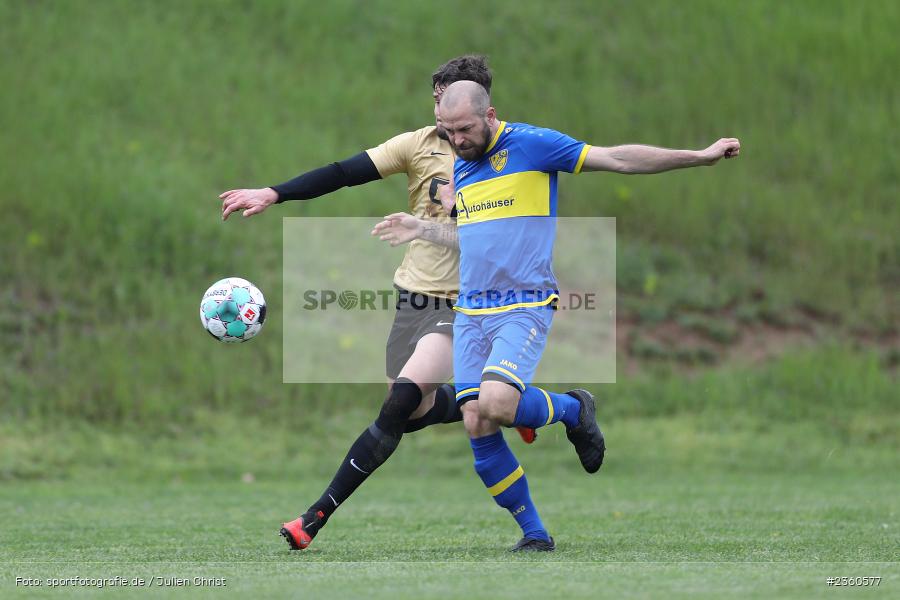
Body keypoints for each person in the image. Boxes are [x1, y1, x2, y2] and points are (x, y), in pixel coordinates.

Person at [218, 56, 534, 552]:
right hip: (413, 294)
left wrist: (459, 213)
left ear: (480, 108)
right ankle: (521, 406)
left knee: (402, 399)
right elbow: (345, 172)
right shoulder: (419, 144)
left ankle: (314, 517)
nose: (440, 112)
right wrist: (275, 193)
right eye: (435, 100)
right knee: (414, 411)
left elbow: (504, 239)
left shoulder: (504, 155)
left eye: (449, 103)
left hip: (466, 303)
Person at [427, 80, 740, 551]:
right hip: (472, 309)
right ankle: (535, 535)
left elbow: (618, 158)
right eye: (448, 131)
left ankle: (574, 409)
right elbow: (478, 235)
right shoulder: (462, 167)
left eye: (466, 129)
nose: (458, 140)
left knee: (496, 403)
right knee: (476, 421)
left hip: (524, 304)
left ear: (491, 116)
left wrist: (699, 156)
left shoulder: (532, 144)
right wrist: (441, 218)